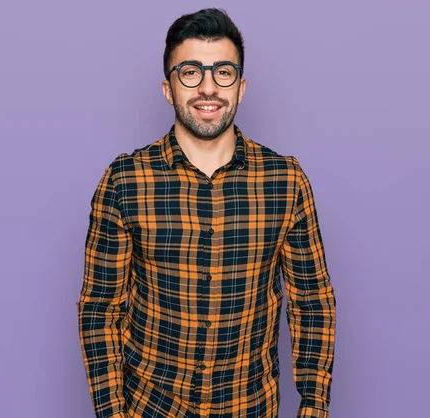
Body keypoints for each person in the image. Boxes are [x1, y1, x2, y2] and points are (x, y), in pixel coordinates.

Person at [77, 7, 336, 418]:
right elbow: (100, 310)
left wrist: (314, 408)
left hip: (252, 407)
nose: (208, 88)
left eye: (223, 72)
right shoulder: (124, 182)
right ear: (168, 88)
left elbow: (313, 304)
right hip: (151, 408)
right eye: (191, 72)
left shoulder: (286, 181)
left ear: (242, 86)